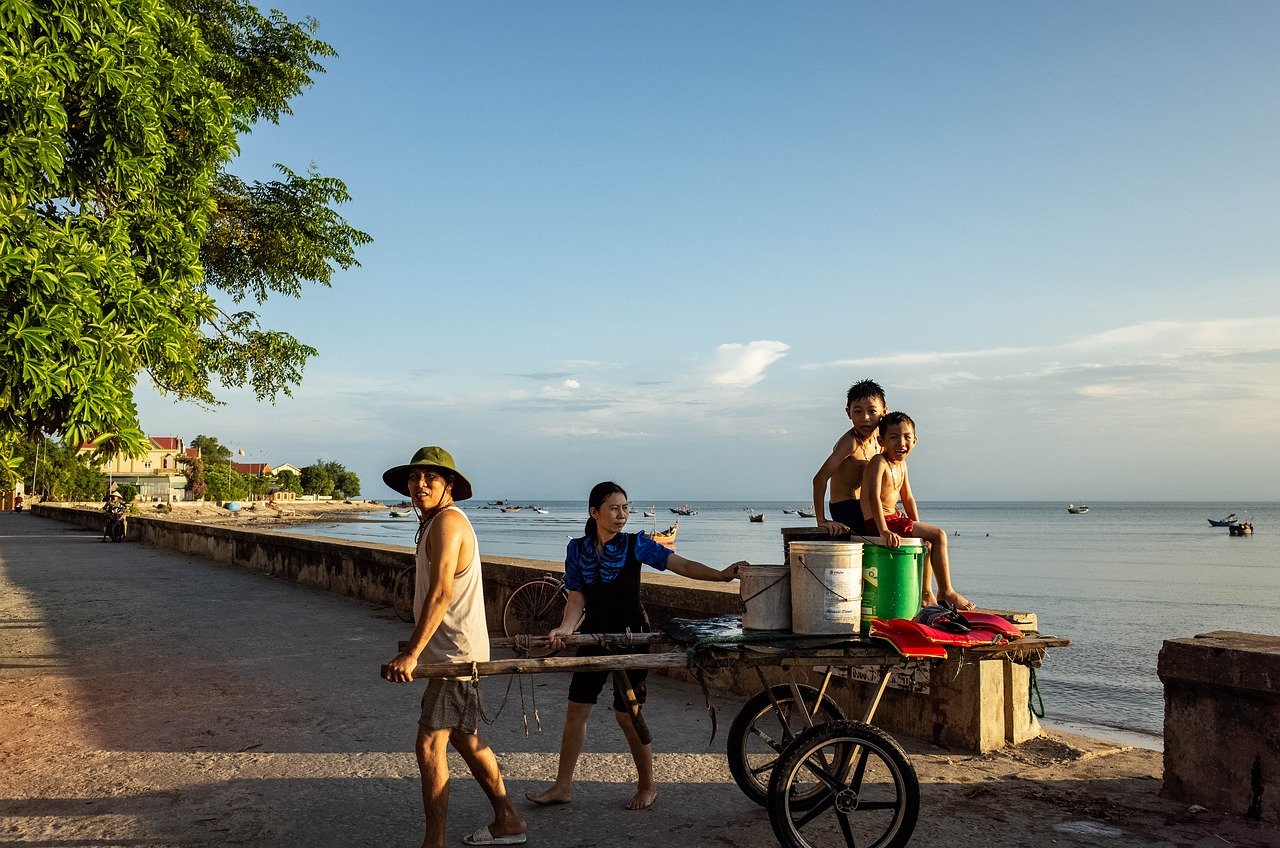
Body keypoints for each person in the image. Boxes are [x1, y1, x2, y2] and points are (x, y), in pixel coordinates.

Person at [526, 481, 745, 812]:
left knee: (627, 716)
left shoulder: (636, 545)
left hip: (634, 638)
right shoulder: (577, 550)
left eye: (626, 508)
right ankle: (562, 786)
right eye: (614, 508)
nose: (622, 514)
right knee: (576, 710)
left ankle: (648, 785)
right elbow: (575, 599)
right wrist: (565, 629)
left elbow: (681, 565)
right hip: (593, 638)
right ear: (594, 513)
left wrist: (721, 575)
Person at [381, 446, 526, 848]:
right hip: (450, 651)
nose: (420, 483)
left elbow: (442, 592)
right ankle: (509, 818)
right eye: (414, 477)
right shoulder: (432, 523)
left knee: (430, 741)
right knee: (464, 736)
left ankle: (435, 842)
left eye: (431, 477)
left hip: (455, 656)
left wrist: (412, 653)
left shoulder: (447, 523)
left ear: (448, 485)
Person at [860, 412, 973, 610]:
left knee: (929, 542)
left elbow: (908, 498)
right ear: (881, 440)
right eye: (894, 437)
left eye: (907, 437)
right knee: (939, 534)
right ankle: (946, 592)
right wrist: (884, 530)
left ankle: (926, 595)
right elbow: (873, 496)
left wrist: (919, 528)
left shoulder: (901, 464)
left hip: (894, 518)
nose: (901, 443)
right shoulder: (879, 461)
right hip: (880, 521)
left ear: (915, 440)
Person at [811, 379, 887, 534]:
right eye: (858, 411)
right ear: (848, 413)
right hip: (845, 508)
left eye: (872, 411)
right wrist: (822, 520)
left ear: (884, 412)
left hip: (867, 505)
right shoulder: (850, 443)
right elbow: (819, 479)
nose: (865, 418)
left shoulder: (881, 438)